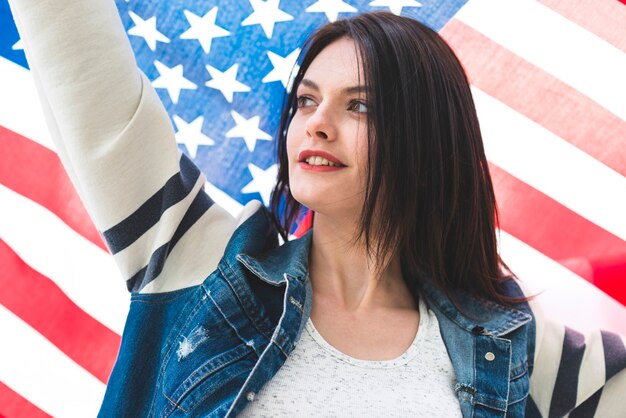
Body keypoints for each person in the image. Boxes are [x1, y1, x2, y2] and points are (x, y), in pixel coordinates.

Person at [8, 0, 626, 416]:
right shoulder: (202, 266)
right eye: (307, 101)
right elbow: (92, 84)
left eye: (360, 106)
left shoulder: (528, 359)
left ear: (430, 139)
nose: (317, 125)